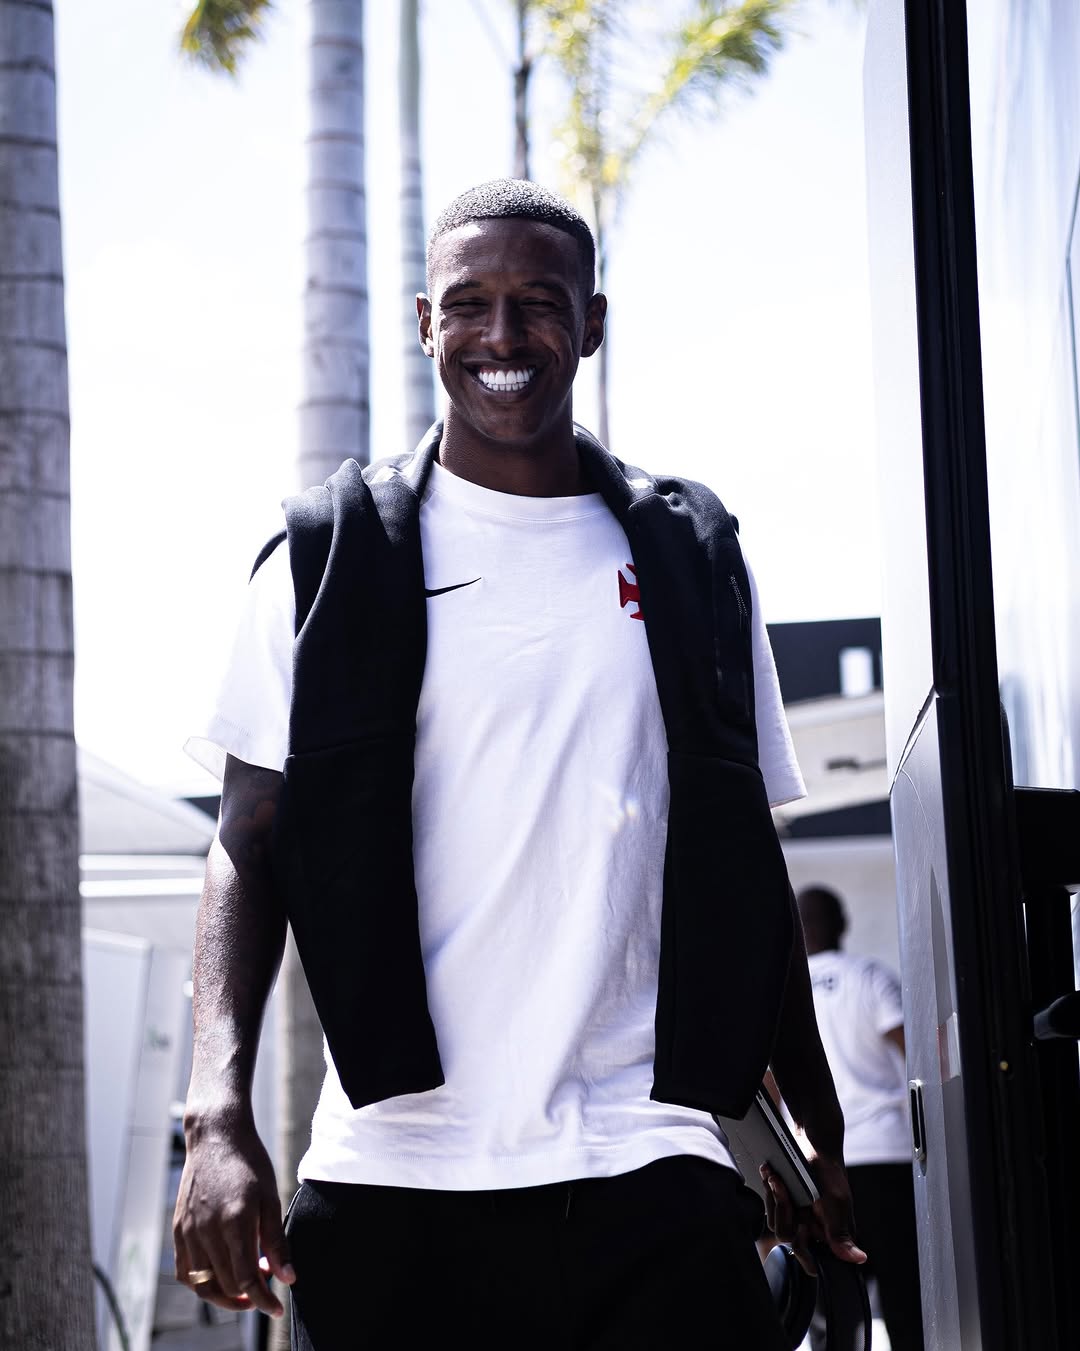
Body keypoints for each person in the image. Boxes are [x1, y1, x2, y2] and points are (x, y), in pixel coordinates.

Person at [173, 178, 865, 1350]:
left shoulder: (691, 555)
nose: (502, 336)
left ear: (591, 323)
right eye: (469, 304)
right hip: (394, 1172)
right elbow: (248, 839)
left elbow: (746, 850)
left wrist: (817, 1130)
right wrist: (215, 1111)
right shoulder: (324, 558)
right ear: (426, 322)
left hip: (652, 1159)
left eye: (539, 303)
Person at [796, 885, 924, 1351]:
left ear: (796, 930)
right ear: (843, 924)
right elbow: (918, 1055)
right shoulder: (869, 977)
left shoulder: (784, 993)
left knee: (836, 1307)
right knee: (905, 1296)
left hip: (818, 1166)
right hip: (887, 1155)